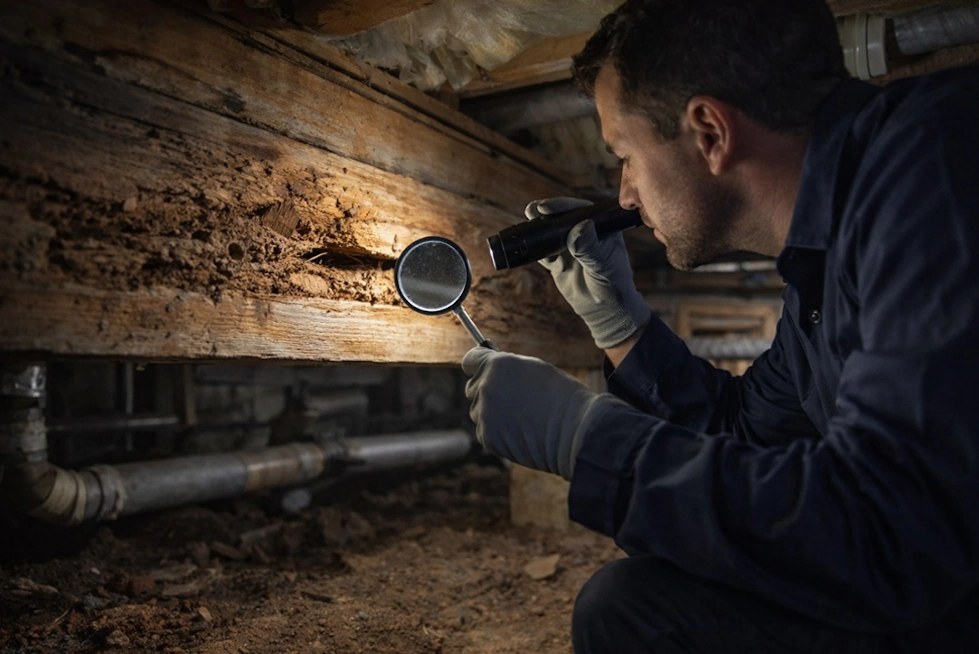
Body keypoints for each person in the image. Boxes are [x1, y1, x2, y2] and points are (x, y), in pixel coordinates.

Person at [461, 0, 979, 652]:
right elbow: (749, 433)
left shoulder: (936, 175)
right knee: (632, 607)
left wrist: (584, 439)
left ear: (708, 131)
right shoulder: (836, 243)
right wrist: (620, 324)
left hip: (939, 580)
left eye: (624, 153)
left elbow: (890, 536)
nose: (622, 195)